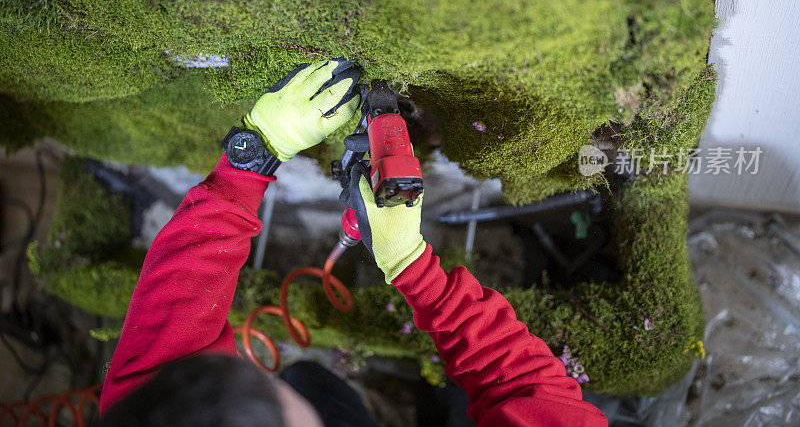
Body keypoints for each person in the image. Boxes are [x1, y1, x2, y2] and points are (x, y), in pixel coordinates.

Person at [98, 60, 608, 426]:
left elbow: (167, 329)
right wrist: (411, 265)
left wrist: (251, 157)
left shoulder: (151, 407)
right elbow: (529, 392)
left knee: (307, 379)